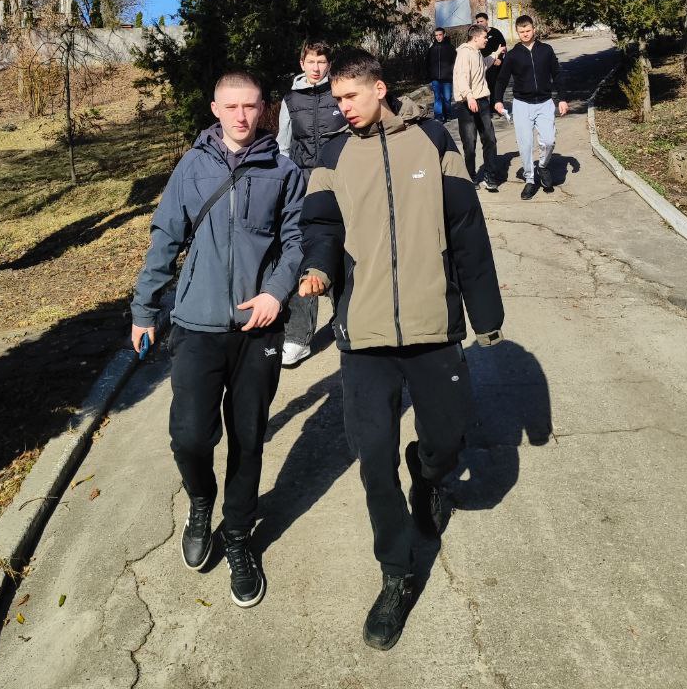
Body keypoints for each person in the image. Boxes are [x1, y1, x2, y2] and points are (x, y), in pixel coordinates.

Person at [299, 48, 504, 651]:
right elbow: (320, 226)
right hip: (364, 335)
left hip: (432, 324)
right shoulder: (332, 155)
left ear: (379, 89)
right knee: (373, 460)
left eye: (349, 96)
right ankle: (395, 574)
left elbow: (467, 229)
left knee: (445, 435)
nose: (341, 107)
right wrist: (318, 269)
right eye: (336, 99)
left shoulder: (434, 141)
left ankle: (430, 475)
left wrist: (486, 315)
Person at [130, 71, 306, 608]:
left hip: (258, 329)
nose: (241, 116)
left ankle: (237, 535)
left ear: (263, 108)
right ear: (215, 109)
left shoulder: (283, 170)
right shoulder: (192, 166)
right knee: (189, 437)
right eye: (231, 106)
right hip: (197, 325)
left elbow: (296, 240)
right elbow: (166, 237)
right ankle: (201, 502)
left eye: (250, 106)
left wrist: (277, 292)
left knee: (248, 439)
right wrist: (145, 308)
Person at [275, 39, 345, 366]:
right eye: (311, 61)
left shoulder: (340, 91)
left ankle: (346, 318)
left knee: (345, 249)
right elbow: (283, 147)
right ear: (302, 63)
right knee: (303, 253)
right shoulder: (290, 99)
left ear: (329, 63)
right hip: (304, 186)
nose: (316, 68)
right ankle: (298, 336)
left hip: (341, 182)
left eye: (322, 61)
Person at [492, 14, 569, 200]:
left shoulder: (546, 50)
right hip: (522, 105)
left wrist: (563, 99)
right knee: (525, 145)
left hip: (544, 103)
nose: (525, 34)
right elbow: (502, 79)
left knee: (549, 141)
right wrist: (498, 100)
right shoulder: (513, 55)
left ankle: (542, 166)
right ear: (517, 33)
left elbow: (557, 74)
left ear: (534, 29)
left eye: (528, 30)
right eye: (521, 32)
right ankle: (529, 179)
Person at [453, 22, 501, 193]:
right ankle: (471, 176)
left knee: (490, 139)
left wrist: (495, 54)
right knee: (469, 143)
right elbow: (461, 77)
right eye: (484, 37)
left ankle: (490, 176)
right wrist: (469, 96)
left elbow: (483, 66)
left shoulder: (477, 53)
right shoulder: (464, 53)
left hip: (482, 102)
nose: (486, 39)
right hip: (467, 104)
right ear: (475, 37)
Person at [425, 26, 456, 122]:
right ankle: (438, 116)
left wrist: (452, 73)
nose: (438, 37)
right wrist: (430, 75)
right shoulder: (432, 49)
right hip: (435, 78)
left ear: (444, 35)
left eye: (440, 35)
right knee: (437, 97)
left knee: (447, 98)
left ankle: (448, 114)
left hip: (447, 78)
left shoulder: (450, 48)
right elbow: (427, 63)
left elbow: (455, 62)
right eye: (436, 35)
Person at [474, 10, 506, 99]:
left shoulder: (495, 32)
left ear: (487, 21)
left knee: (494, 87)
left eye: (481, 21)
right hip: (482, 64)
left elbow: (503, 46)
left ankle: (495, 104)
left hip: (495, 63)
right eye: (478, 22)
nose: (479, 23)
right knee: (482, 87)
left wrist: (500, 59)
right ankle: (483, 106)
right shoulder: (476, 35)